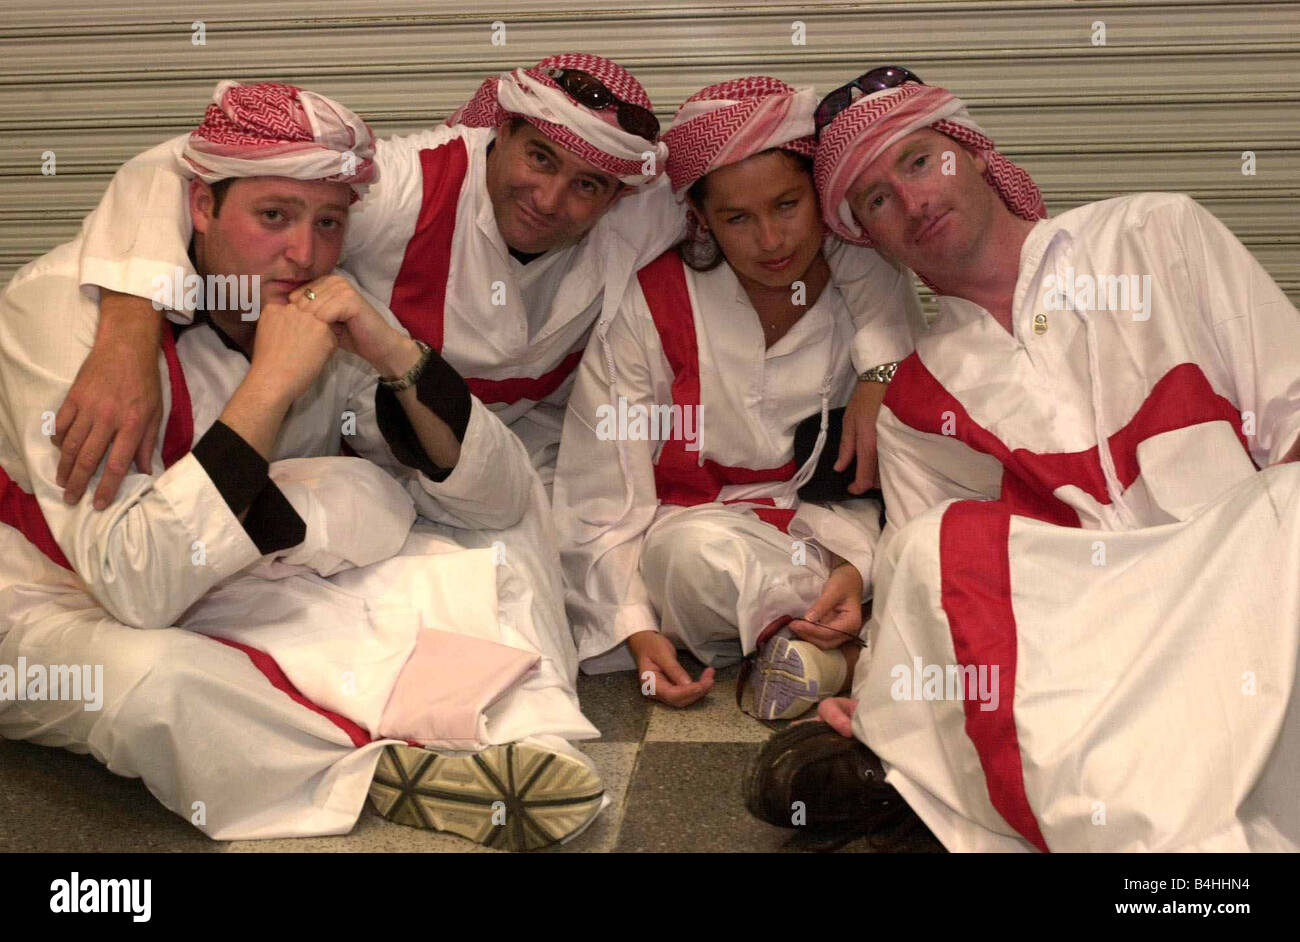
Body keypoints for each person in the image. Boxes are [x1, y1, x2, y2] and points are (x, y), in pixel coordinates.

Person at [0, 81, 605, 851]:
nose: (304, 253)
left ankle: (530, 741)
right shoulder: (57, 311)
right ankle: (377, 769)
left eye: (329, 223)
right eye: (273, 217)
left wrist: (395, 355)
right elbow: (135, 583)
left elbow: (497, 496)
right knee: (157, 683)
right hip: (52, 599)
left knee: (494, 536)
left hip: (246, 576)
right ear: (200, 208)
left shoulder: (308, 304)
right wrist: (270, 385)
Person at [747, 70, 1300, 851]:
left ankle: (950, 792)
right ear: (869, 236)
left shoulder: (1157, 234)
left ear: (973, 151)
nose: (911, 202)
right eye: (875, 199)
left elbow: (1292, 410)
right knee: (925, 551)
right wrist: (882, 690)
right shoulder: (915, 400)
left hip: (1246, 596)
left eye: (918, 161)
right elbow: (939, 597)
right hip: (1096, 649)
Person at [53, 54, 680, 515]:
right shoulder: (405, 185)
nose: (549, 199)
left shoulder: (638, 213)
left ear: (619, 193)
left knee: (529, 589)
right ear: (502, 132)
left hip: (531, 459)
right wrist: (126, 337)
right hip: (391, 450)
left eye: (588, 185)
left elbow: (738, 198)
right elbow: (175, 167)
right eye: (540, 158)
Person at [553, 77, 917, 718]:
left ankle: (825, 639)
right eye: (738, 219)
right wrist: (633, 626)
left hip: (842, 531)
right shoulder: (652, 301)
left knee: (937, 546)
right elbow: (601, 479)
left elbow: (915, 446)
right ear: (700, 218)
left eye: (786, 206)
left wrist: (859, 567)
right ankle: (851, 647)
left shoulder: (867, 279)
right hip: (702, 528)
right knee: (688, 561)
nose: (771, 241)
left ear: (820, 198)